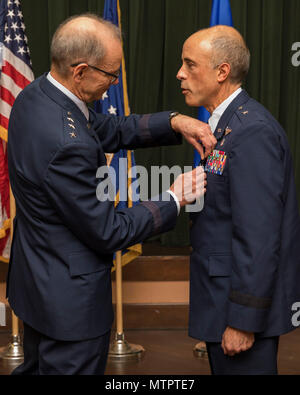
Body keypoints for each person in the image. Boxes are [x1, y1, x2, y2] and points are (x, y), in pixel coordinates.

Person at [6, 14, 215, 375]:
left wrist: (174, 121)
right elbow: (108, 232)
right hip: (71, 308)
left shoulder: (37, 95)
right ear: (81, 71)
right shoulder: (65, 142)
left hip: (39, 287)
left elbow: (106, 127)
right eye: (110, 75)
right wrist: (173, 198)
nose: (113, 84)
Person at [177, 25, 300, 375]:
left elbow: (259, 235)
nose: (180, 74)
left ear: (222, 72)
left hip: (240, 312)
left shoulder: (252, 131)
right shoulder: (225, 125)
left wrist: (243, 320)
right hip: (222, 300)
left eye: (189, 64)